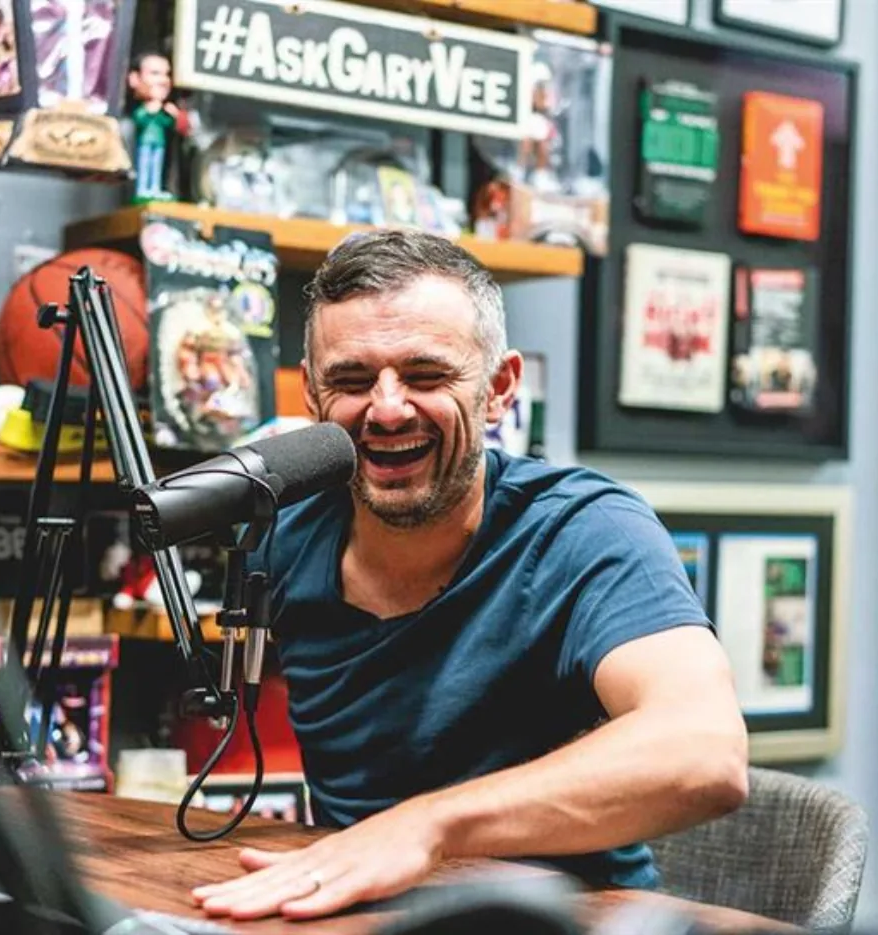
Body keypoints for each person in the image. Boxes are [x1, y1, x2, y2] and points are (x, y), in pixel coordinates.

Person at [190, 229, 748, 922]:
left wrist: (427, 825)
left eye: (426, 376)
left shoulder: (584, 530)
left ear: (499, 388)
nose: (386, 409)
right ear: (312, 393)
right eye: (352, 381)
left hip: (561, 922)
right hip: (355, 916)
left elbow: (705, 752)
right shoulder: (284, 533)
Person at [126, 51, 189, 203]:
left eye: (167, 74)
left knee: (156, 166)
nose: (163, 80)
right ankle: (142, 188)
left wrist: (174, 116)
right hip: (144, 143)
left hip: (159, 142)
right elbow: (139, 119)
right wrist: (150, 110)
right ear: (134, 79)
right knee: (144, 165)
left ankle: (154, 189)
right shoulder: (130, 115)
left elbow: (178, 126)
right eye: (155, 74)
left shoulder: (166, 109)